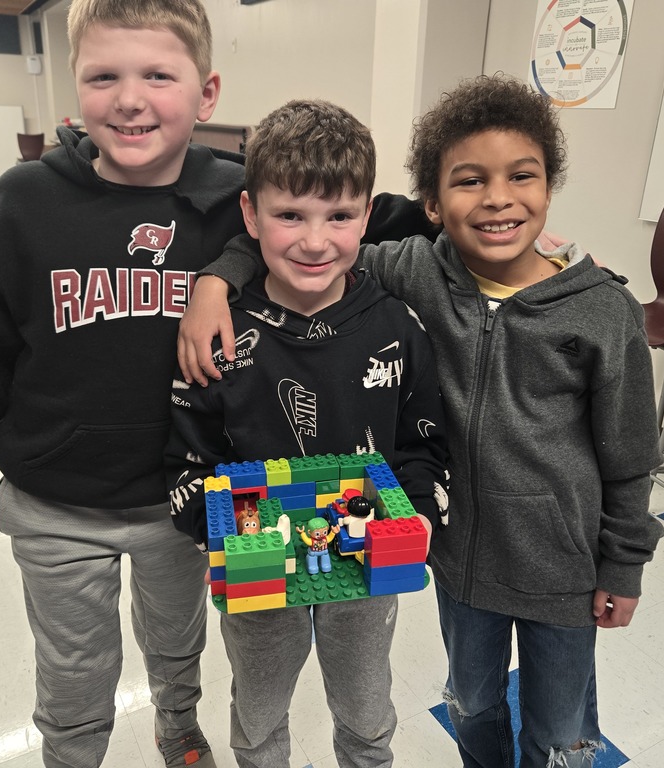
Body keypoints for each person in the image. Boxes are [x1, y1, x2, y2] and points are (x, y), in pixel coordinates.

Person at [178, 74, 664, 768]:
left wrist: (625, 562)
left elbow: (630, 453)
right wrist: (214, 281)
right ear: (431, 205)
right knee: (472, 706)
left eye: (521, 176)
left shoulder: (599, 310)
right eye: (470, 181)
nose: (498, 198)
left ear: (548, 187)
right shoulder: (411, 270)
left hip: (563, 567)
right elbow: (307, 244)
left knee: (561, 735)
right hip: (459, 565)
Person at [0, 0, 239, 765]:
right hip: (54, 497)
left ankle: (176, 720)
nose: (129, 98)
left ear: (206, 93)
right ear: (76, 87)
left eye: (158, 74)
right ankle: (73, 752)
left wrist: (460, 229)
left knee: (177, 641)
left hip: (183, 496)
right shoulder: (24, 200)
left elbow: (339, 218)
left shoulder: (239, 197)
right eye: (104, 75)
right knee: (73, 667)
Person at [164, 99, 449, 768]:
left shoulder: (397, 326)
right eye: (290, 214)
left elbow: (422, 442)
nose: (315, 241)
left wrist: (422, 510)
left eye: (339, 216)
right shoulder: (218, 331)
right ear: (250, 216)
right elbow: (184, 464)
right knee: (259, 714)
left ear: (367, 216)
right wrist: (226, 531)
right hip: (261, 572)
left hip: (366, 563)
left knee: (367, 707)